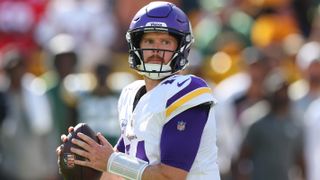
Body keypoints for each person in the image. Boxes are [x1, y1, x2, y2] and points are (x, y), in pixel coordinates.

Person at [57, 1, 220, 180]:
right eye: (149, 41)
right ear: (136, 45)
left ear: (181, 47)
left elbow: (171, 176)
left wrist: (110, 160)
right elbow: (121, 172)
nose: (156, 49)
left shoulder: (187, 90)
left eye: (165, 42)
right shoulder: (130, 94)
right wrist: (86, 162)